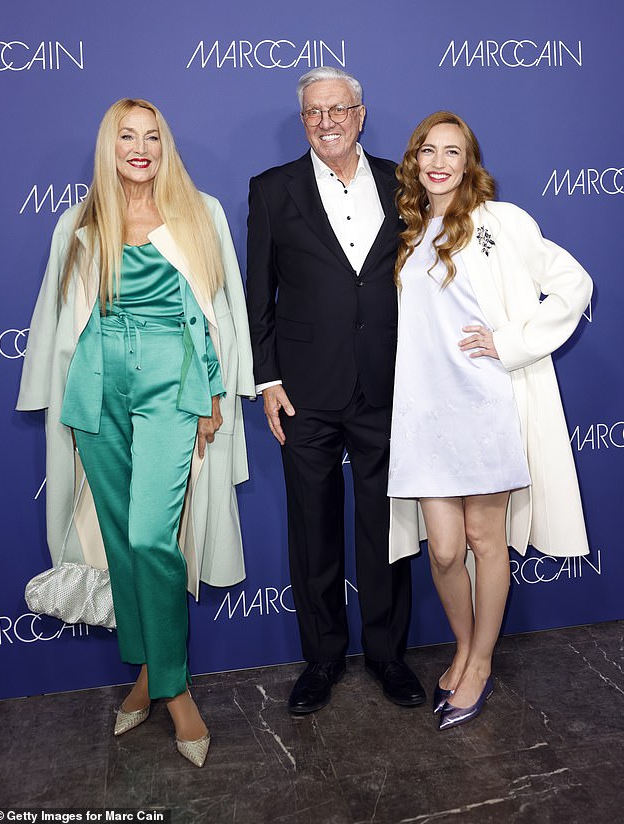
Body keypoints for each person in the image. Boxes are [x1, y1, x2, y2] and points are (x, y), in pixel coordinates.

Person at [17, 98, 255, 765]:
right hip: (96, 384)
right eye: (127, 137)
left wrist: (213, 394)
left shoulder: (198, 212)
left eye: (152, 136)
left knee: (154, 536)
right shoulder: (82, 220)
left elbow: (216, 312)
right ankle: (147, 673)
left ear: (165, 145)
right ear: (110, 146)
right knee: (121, 542)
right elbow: (60, 318)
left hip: (170, 383)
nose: (140, 148)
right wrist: (62, 396)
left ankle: (174, 692)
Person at [387, 111, 592, 729]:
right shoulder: (407, 230)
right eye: (429, 150)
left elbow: (574, 283)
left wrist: (509, 342)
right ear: (415, 161)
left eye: (453, 151)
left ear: (469, 161)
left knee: (484, 540)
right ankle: (463, 643)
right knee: (445, 551)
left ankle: (478, 662)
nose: (439, 162)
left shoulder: (501, 222)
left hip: (486, 404)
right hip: (425, 412)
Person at [246, 67, 425, 715]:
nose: (326, 121)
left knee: (387, 527)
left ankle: (387, 656)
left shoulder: (400, 184)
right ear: (303, 122)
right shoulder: (271, 190)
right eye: (313, 113)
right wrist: (266, 379)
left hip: (388, 384)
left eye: (337, 109)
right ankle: (322, 659)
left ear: (360, 113)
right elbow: (256, 294)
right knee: (313, 530)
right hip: (305, 390)